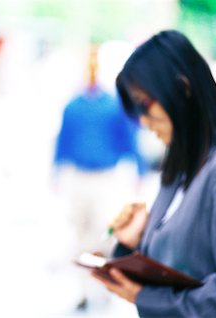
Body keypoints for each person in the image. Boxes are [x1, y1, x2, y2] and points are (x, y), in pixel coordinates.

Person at [92, 30, 216, 316]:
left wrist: (149, 299)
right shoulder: (184, 161)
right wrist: (136, 242)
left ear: (183, 88)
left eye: (145, 104)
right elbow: (178, 267)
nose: (143, 121)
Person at [53, 44, 147, 310]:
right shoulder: (74, 105)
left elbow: (129, 138)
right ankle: (83, 289)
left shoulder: (113, 104)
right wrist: (56, 171)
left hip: (105, 177)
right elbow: (63, 139)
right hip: (79, 177)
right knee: (80, 234)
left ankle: (104, 287)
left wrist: (138, 168)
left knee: (103, 234)